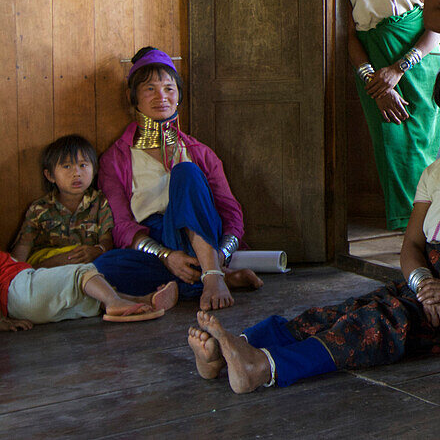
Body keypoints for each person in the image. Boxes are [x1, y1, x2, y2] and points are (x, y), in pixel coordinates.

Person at [186, 46, 440, 393]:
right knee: (340, 313)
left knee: (377, 326)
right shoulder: (434, 173)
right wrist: (424, 285)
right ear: (439, 100)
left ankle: (262, 368)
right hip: (425, 285)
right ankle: (227, 351)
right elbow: (412, 245)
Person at [93, 47, 262, 311]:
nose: (161, 96)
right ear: (133, 97)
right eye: (149, 89)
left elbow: (231, 214)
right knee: (103, 267)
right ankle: (212, 277)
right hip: (157, 243)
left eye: (169, 89)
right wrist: (167, 256)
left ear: (178, 96)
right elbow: (122, 224)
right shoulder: (115, 158)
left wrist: (220, 254)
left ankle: (212, 276)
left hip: (205, 237)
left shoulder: (198, 153)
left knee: (185, 173)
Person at [345, 0, 440, 230]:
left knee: (424, 145)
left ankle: (433, 225)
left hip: (419, 68)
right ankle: (407, 227)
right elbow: (347, 34)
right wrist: (374, 78)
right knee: (391, 144)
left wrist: (401, 68)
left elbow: (437, 25)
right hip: (372, 72)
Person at [0, 249, 177, 329]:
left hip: (18, 309)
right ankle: (114, 301)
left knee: (87, 297)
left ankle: (141, 301)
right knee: (81, 273)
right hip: (17, 287)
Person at [10, 135, 113, 268]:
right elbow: (22, 249)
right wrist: (16, 275)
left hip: (87, 265)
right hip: (48, 268)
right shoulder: (40, 208)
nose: (77, 173)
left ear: (94, 170)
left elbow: (107, 240)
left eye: (83, 165)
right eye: (67, 166)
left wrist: (97, 250)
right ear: (50, 176)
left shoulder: (99, 203)